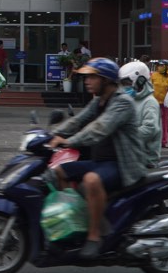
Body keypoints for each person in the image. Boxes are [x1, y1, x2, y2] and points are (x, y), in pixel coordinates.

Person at [48, 57, 147, 259]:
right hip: (100, 162)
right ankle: (77, 220)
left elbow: (99, 129)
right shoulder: (98, 101)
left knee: (91, 180)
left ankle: (94, 236)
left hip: (122, 164)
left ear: (106, 80)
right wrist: (51, 135)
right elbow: (78, 120)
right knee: (59, 171)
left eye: (92, 77)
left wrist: (68, 141)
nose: (87, 81)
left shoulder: (122, 102)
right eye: (87, 77)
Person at [119, 61, 161, 166]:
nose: (124, 87)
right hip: (130, 156)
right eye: (123, 84)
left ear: (140, 81)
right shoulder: (131, 100)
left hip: (144, 160)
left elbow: (149, 129)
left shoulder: (149, 102)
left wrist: (124, 138)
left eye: (127, 84)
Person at [151, 60, 168, 149]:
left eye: (161, 65)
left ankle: (164, 141)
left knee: (164, 123)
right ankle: (153, 141)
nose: (159, 67)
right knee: (153, 121)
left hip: (164, 102)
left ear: (166, 67)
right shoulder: (153, 75)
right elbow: (149, 86)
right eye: (158, 65)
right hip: (154, 101)